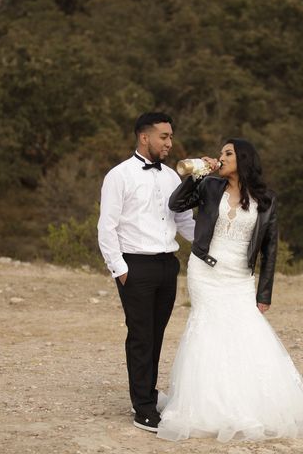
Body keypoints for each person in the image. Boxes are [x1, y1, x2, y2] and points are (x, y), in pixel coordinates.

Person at [158, 138, 303, 442]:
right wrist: (196, 174)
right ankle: (206, 407)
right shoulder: (209, 186)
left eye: (228, 153)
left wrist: (264, 293)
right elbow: (176, 204)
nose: (221, 157)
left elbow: (270, 248)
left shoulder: (266, 198)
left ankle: (247, 403)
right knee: (208, 330)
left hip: (239, 277)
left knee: (245, 331)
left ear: (244, 159)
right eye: (221, 153)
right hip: (205, 271)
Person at [97, 112, 195, 433]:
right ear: (144, 137)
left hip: (168, 265)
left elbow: (183, 222)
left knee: (156, 334)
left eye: (170, 136)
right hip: (135, 266)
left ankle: (149, 393)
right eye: (164, 136)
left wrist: (211, 241)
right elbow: (107, 227)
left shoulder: (171, 177)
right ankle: (143, 408)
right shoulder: (119, 176)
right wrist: (121, 270)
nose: (169, 142)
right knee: (141, 336)